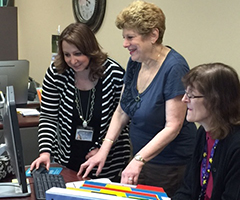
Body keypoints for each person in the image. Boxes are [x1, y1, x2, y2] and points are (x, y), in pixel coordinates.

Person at [78, 1, 197, 197]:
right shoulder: (136, 61)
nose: (125, 44)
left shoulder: (175, 68)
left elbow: (173, 126)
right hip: (142, 158)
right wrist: (103, 151)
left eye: (130, 37)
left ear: (153, 35)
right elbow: (122, 109)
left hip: (170, 164)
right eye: (124, 37)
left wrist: (138, 160)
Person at [30, 22, 131, 182]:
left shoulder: (114, 75)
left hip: (108, 163)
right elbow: (48, 117)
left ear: (90, 50)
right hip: (67, 160)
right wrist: (45, 152)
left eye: (78, 53)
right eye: (67, 54)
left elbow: (124, 120)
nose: (73, 60)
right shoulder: (57, 73)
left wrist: (103, 147)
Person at [172, 63, 240, 200]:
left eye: (191, 95)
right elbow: (188, 188)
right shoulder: (203, 132)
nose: (184, 99)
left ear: (216, 100)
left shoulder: (236, 146)